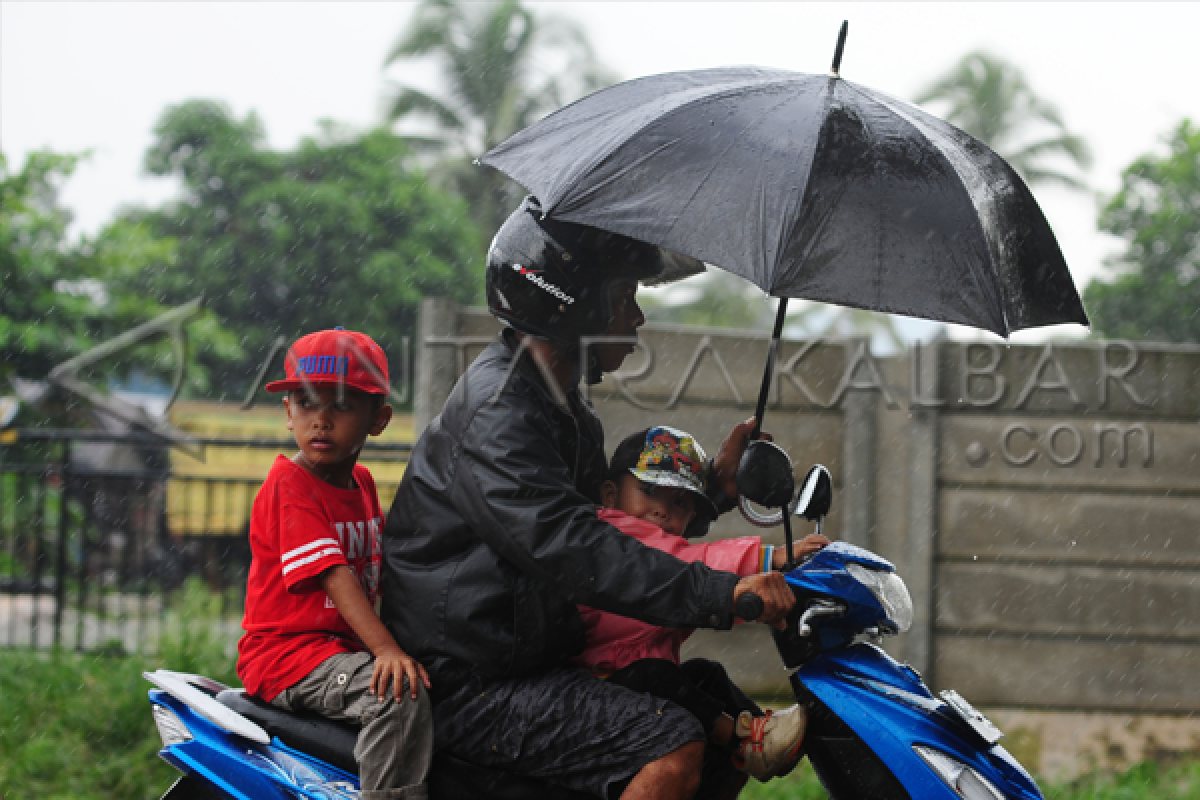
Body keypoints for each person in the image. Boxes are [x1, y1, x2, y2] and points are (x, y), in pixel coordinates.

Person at [382, 197, 798, 800]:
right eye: (624, 298)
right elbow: (573, 547)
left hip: (526, 662)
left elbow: (604, 519)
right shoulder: (500, 411)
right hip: (470, 685)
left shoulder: (559, 403)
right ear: (573, 304)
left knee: (712, 710)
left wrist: (712, 491)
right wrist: (720, 591)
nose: (636, 320)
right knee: (670, 744)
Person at [578, 426, 830, 799]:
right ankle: (745, 740)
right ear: (610, 495)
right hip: (596, 681)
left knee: (705, 677)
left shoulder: (658, 549)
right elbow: (687, 563)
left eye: (680, 502)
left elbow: (693, 587)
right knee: (659, 677)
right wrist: (768, 559)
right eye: (649, 491)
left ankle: (757, 729)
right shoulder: (609, 533)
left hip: (631, 682)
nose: (662, 509)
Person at [237, 328, 433, 800]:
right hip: (287, 655)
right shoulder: (290, 484)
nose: (320, 421)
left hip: (335, 651)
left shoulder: (361, 483)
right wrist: (386, 650)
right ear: (288, 413)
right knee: (395, 696)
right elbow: (336, 574)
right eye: (306, 403)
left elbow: (385, 571)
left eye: (341, 406)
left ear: (378, 419)